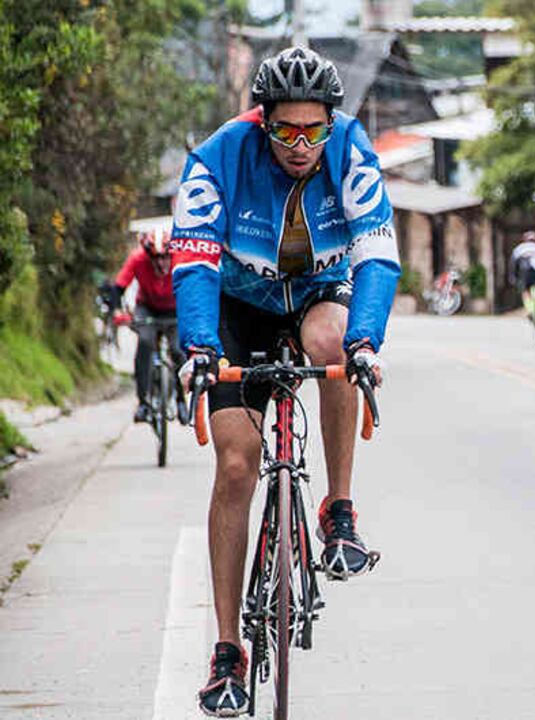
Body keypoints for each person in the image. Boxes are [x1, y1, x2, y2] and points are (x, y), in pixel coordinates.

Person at [169, 46, 400, 718]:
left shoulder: (351, 150)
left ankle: (340, 512)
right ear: (261, 119)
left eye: (314, 130)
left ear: (331, 123)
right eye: (286, 130)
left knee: (335, 345)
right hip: (235, 312)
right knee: (237, 466)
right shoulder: (218, 157)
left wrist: (365, 342)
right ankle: (225, 653)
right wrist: (203, 348)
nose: (302, 146)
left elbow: (379, 254)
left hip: (316, 296)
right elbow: (192, 261)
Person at [106, 229, 179, 423]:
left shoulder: (180, 259)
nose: (161, 263)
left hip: (175, 309)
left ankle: (181, 399)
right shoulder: (137, 259)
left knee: (178, 349)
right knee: (145, 343)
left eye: (165, 258)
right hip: (147, 308)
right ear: (148, 255)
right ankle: (143, 403)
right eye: (156, 258)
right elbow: (118, 287)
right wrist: (116, 311)